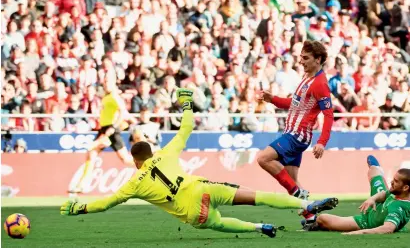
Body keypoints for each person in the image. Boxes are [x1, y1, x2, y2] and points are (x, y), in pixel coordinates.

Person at [61, 89, 339, 237]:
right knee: (260, 196)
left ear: (135, 160)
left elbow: (105, 203)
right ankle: (306, 204)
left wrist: (78, 207)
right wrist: (185, 103)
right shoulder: (165, 153)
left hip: (194, 212)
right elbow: (186, 128)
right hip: (205, 188)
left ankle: (259, 228)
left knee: (218, 224)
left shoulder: (134, 183)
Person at [256, 40, 334, 223]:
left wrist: (322, 142)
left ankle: (300, 194)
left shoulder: (320, 84)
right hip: (291, 133)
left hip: (297, 136)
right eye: (300, 58)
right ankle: (311, 217)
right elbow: (294, 104)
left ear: (318, 59)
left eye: (305, 58)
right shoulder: (307, 78)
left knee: (263, 158)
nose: (301, 62)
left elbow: (329, 116)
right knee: (291, 180)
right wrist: (272, 99)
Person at [305, 155, 410, 234]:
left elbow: (388, 228)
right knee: (373, 170)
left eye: (396, 181)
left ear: (405, 188)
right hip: (376, 206)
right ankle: (377, 169)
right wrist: (372, 199)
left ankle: (314, 224)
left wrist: (360, 232)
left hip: (365, 222)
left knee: (322, 218)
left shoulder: (399, 208)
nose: (391, 182)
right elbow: (384, 194)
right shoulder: (395, 192)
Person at [68, 78, 136, 193]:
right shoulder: (106, 97)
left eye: (108, 82)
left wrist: (114, 127)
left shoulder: (114, 97)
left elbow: (123, 113)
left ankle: (148, 163)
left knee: (125, 159)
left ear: (113, 84)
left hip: (110, 129)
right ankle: (82, 185)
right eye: (104, 83)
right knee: (92, 153)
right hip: (104, 129)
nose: (105, 85)